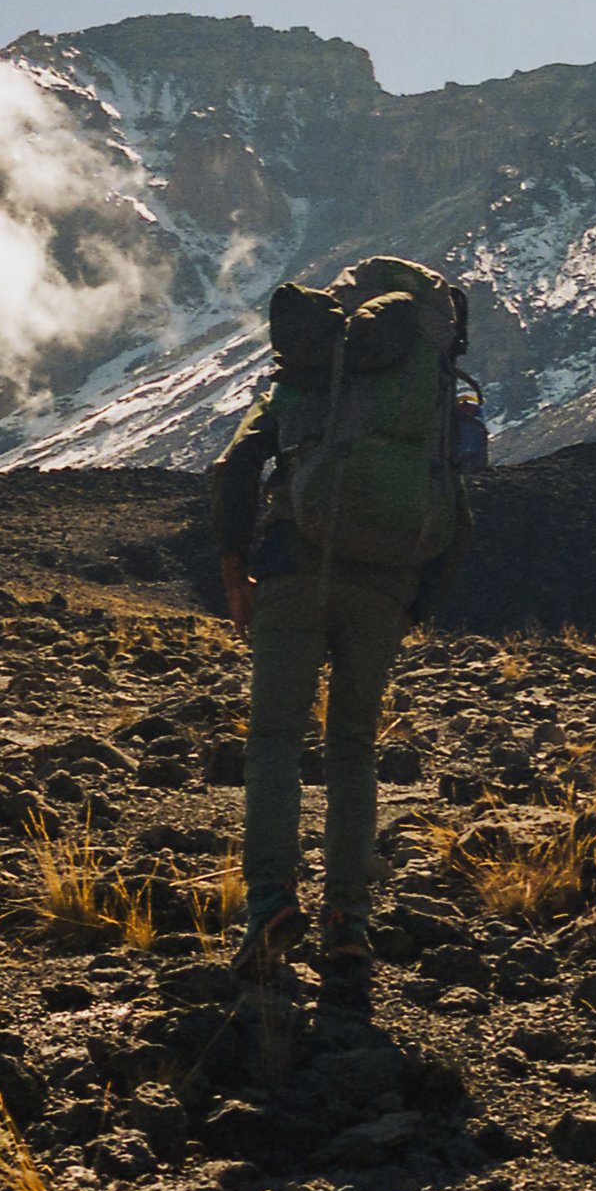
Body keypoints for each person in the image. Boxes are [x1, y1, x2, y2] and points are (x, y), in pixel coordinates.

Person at [208, 317, 473, 984]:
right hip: (384, 587)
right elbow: (457, 496)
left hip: (292, 573)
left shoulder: (307, 379)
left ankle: (270, 902)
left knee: (274, 739)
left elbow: (236, 463)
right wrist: (417, 600)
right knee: (353, 747)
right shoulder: (425, 396)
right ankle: (347, 922)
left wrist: (234, 568)